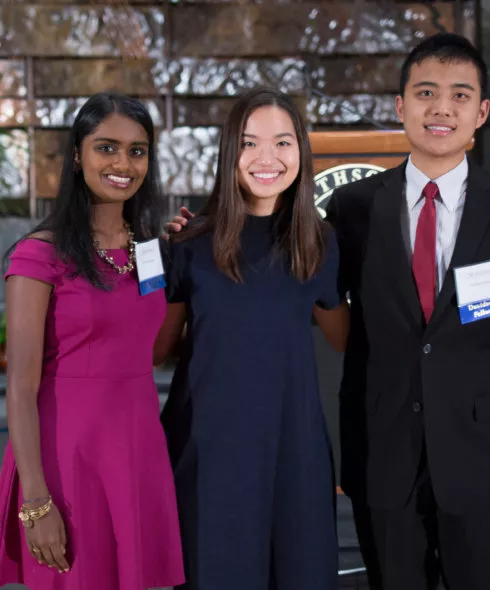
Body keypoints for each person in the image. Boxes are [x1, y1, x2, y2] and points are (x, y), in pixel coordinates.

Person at [326, 33, 490, 590]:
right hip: (383, 457)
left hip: (485, 465)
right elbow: (307, 290)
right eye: (426, 92)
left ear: (482, 112)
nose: (441, 108)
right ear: (401, 107)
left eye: (460, 95)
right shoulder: (352, 209)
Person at [155, 87, 349, 590]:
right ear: (229, 153)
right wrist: (150, 260)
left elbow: (348, 339)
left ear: (301, 152)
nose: (267, 158)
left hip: (294, 450)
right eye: (249, 143)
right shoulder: (188, 241)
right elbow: (156, 350)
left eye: (282, 142)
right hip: (209, 452)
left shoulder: (319, 242)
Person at [0, 92, 185, 590]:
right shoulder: (39, 255)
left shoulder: (149, 251)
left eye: (137, 150)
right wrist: (35, 499)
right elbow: (19, 386)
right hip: (66, 458)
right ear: (77, 155)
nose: (123, 163)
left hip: (138, 452)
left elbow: (154, 350)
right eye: (107, 147)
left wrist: (188, 253)